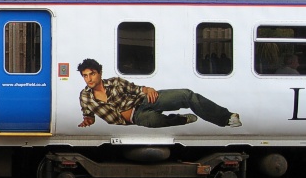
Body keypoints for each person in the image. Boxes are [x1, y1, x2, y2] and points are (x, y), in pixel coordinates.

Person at [77, 58, 241, 128]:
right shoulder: (85, 97)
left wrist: (147, 89)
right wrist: (87, 121)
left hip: (144, 101)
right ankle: (181, 120)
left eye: (92, 73)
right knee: (154, 120)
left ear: (99, 73)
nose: (89, 78)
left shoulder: (115, 82)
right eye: (85, 75)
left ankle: (226, 118)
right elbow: (89, 116)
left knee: (186, 94)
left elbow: (136, 89)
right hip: (136, 118)